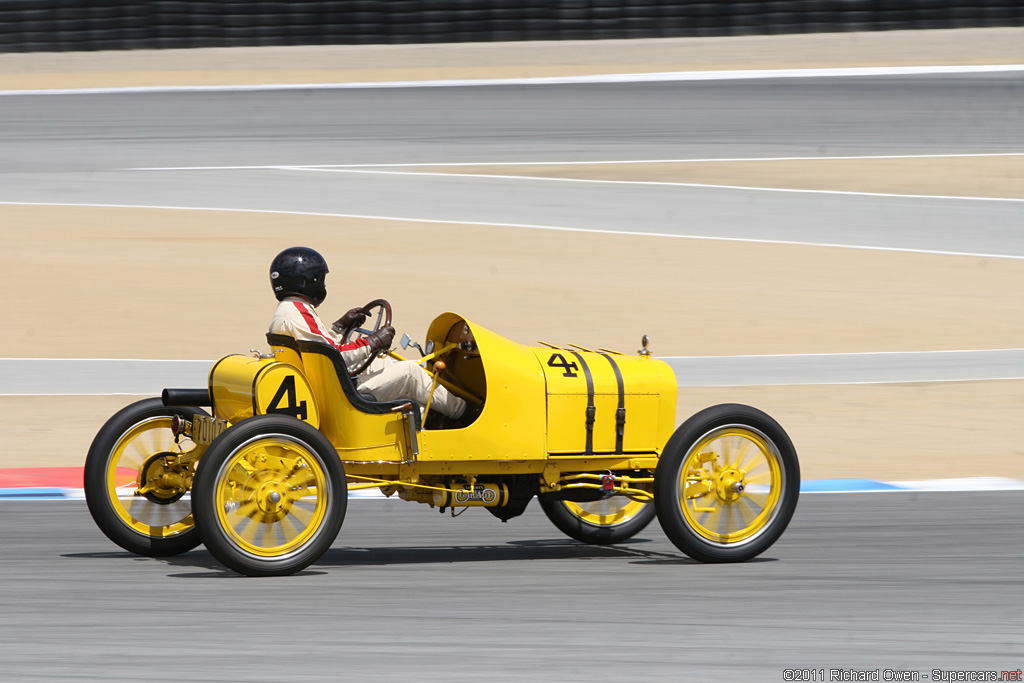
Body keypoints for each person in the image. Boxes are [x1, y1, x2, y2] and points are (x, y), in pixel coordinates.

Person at [267, 246, 468, 420]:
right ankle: (464, 413)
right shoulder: (298, 312)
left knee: (386, 363)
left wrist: (340, 327)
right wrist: (373, 342)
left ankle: (426, 418)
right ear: (306, 282)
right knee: (411, 373)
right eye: (319, 279)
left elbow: (320, 348)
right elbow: (335, 355)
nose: (322, 285)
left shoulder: (288, 310)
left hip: (324, 381)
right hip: (337, 391)